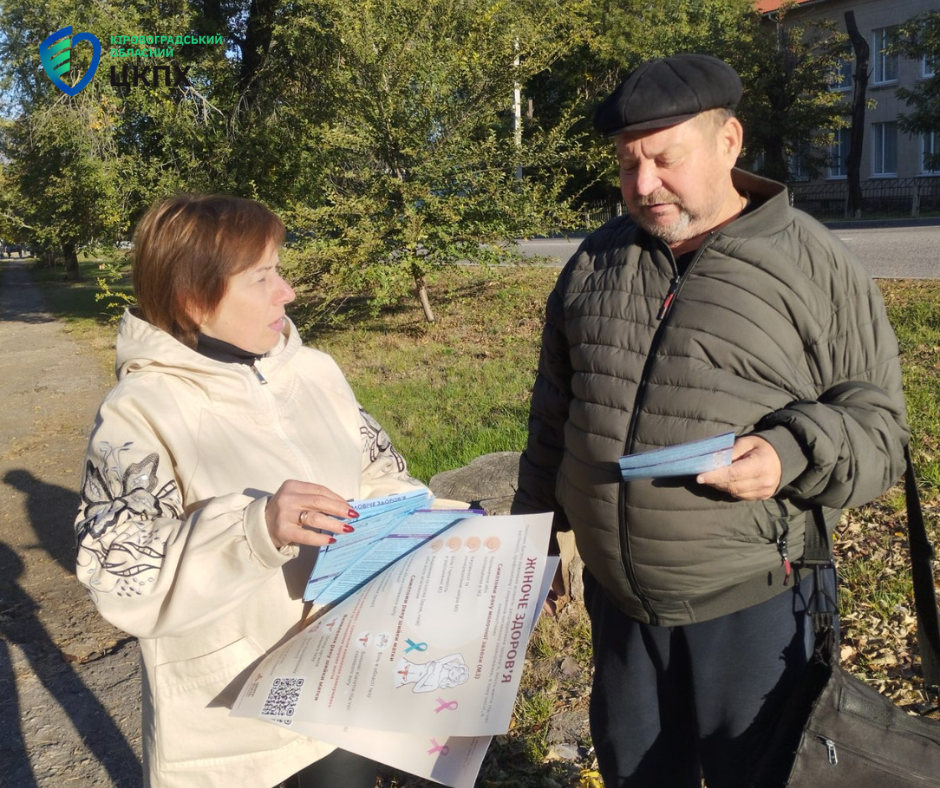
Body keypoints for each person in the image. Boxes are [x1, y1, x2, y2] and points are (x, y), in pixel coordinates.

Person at [512, 54, 909, 788]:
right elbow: (554, 418)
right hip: (621, 609)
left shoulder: (814, 265)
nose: (643, 185)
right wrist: (528, 541)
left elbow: (882, 432)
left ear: (729, 142)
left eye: (666, 160)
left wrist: (788, 452)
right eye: (628, 165)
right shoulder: (595, 263)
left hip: (754, 603)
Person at [74, 194, 429, 788]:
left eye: (278, 270)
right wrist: (253, 530)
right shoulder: (141, 411)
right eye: (262, 277)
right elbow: (118, 574)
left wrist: (449, 533)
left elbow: (382, 474)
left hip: (340, 682)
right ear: (193, 298)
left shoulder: (315, 372)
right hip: (233, 720)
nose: (286, 292)